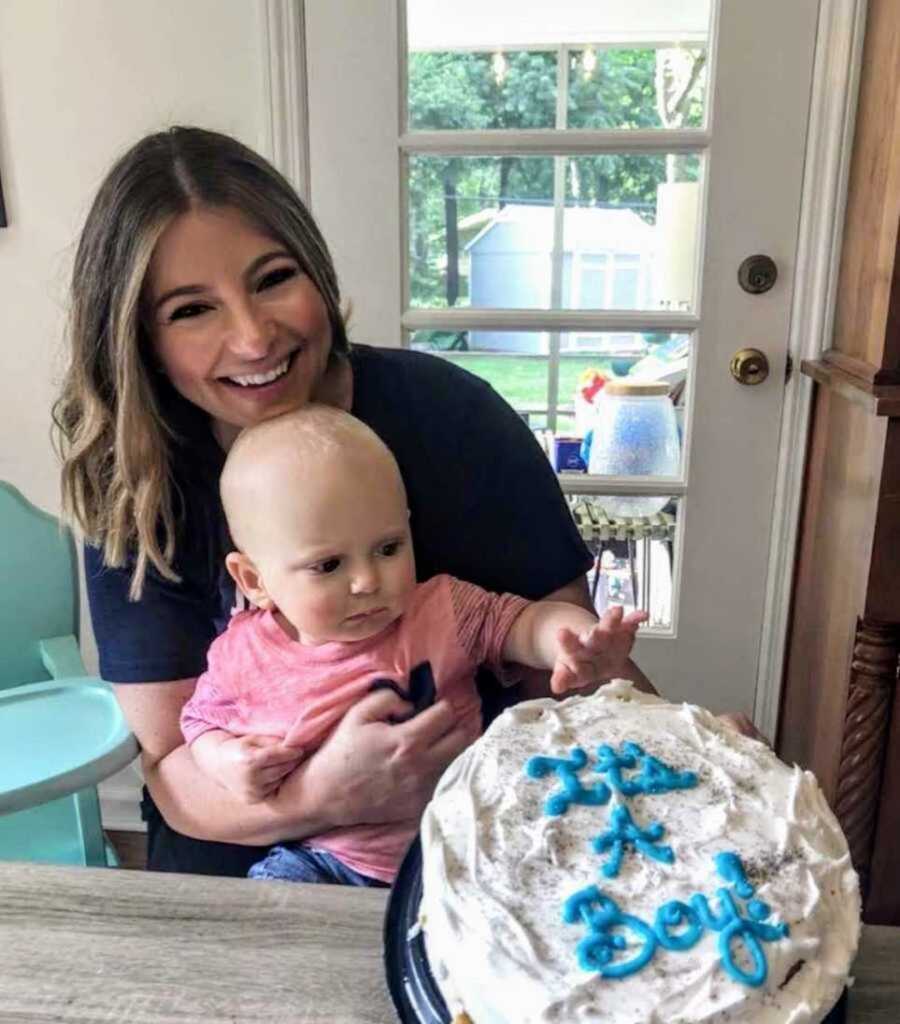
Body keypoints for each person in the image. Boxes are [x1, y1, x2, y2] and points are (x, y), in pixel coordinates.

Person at [53, 125, 656, 876]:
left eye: (272, 279)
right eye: (190, 311)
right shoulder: (135, 483)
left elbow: (565, 675)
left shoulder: (449, 417)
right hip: (244, 851)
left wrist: (686, 756)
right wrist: (330, 793)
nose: (252, 338)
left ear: (314, 269)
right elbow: (176, 765)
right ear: (137, 339)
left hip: (475, 837)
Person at [179, 405, 646, 886]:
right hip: (324, 860)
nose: (366, 581)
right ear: (254, 579)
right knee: (273, 909)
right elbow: (197, 723)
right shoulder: (243, 655)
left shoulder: (442, 608)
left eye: (388, 549)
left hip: (461, 842)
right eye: (328, 566)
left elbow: (526, 624)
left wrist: (573, 641)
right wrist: (226, 761)